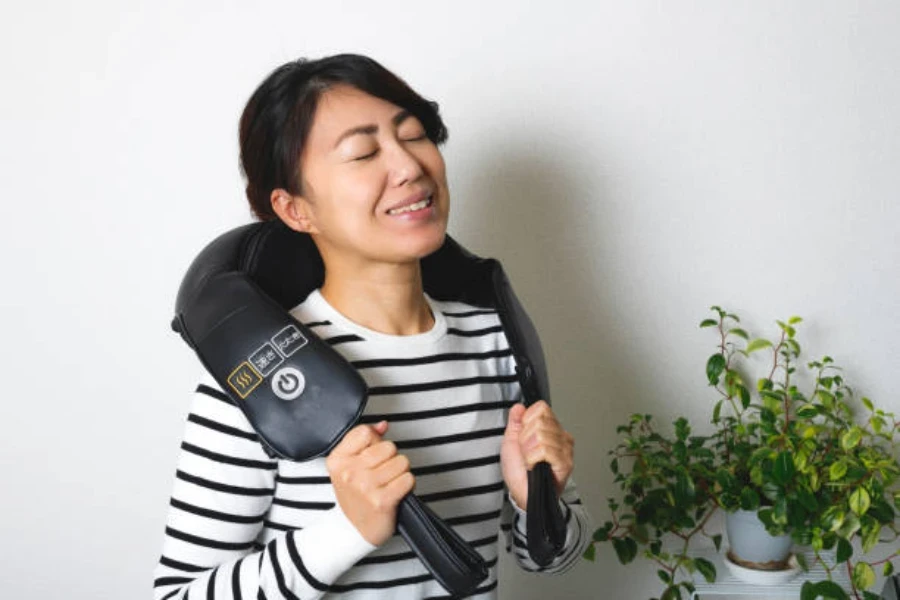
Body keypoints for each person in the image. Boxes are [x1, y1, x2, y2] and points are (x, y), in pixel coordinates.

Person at [153, 53, 591, 599]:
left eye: (414, 136)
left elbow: (553, 558)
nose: (409, 167)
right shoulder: (255, 376)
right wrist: (347, 532)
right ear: (294, 210)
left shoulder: (495, 340)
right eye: (362, 153)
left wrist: (537, 498)